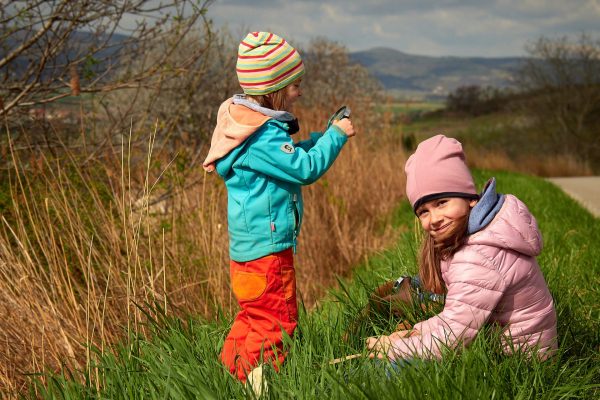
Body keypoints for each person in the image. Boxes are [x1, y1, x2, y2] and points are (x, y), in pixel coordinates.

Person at [202, 31, 355, 386]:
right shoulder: (262, 136)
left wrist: (316, 139)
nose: (299, 92)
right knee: (278, 322)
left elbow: (284, 161)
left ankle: (229, 377)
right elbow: (304, 169)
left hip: (247, 250)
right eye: (294, 85)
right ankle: (266, 384)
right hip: (269, 252)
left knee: (253, 317)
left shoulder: (246, 128)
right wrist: (336, 137)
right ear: (274, 88)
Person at [366, 135, 557, 362]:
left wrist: (393, 350)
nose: (434, 218)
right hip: (503, 345)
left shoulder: (479, 255)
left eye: (441, 203)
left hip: (520, 361)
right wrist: (414, 332)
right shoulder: (476, 236)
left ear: (470, 199)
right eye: (424, 211)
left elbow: (452, 338)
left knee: (392, 370)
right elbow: (456, 318)